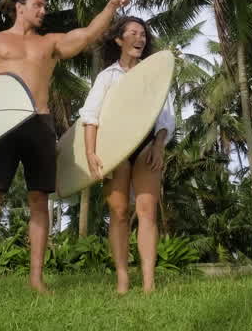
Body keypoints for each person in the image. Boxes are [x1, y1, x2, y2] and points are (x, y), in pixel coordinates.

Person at [0, 0, 134, 297]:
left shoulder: (49, 43)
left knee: (40, 201)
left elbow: (88, 34)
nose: (44, 11)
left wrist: (112, 5)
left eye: (46, 6)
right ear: (20, 7)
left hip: (40, 125)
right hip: (3, 125)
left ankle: (36, 279)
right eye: (38, 5)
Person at [81, 15, 175, 294]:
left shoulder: (153, 75)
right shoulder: (107, 77)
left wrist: (159, 145)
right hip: (114, 148)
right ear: (119, 40)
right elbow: (90, 116)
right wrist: (91, 153)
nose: (140, 38)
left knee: (147, 212)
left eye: (143, 33)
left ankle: (148, 282)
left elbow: (166, 115)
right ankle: (122, 278)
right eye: (132, 33)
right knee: (119, 212)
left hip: (147, 144)